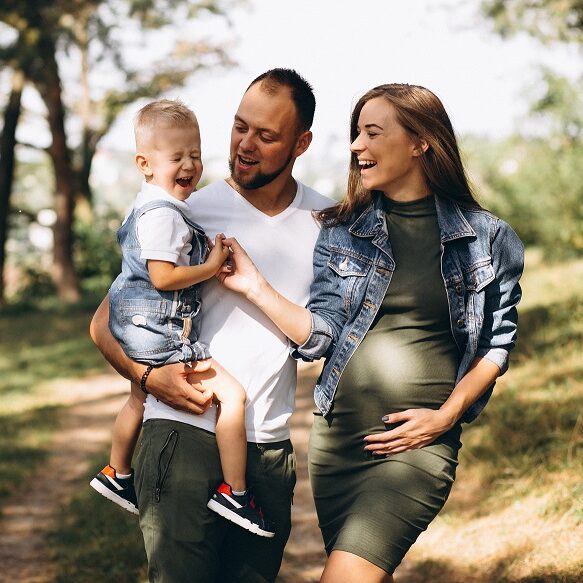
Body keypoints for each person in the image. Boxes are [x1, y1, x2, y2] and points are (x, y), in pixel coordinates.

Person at [218, 83, 525, 583]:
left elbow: (497, 345)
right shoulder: (341, 230)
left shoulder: (488, 237)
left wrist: (445, 418)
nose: (356, 145)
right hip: (338, 445)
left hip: (416, 446)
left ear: (420, 142)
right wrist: (255, 288)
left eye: (372, 132)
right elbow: (320, 338)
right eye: (356, 133)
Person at [89, 69, 332, 582]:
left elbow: (324, 335)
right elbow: (104, 325)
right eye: (239, 127)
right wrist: (151, 379)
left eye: (266, 136)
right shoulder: (184, 209)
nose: (244, 145)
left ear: (301, 142)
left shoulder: (327, 222)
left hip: (267, 450)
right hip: (181, 437)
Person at [90, 98, 275, 538]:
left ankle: (116, 471)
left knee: (138, 398)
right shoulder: (164, 216)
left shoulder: (152, 205)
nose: (190, 164)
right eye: (177, 157)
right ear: (145, 164)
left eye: (195, 153)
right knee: (232, 397)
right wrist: (211, 268)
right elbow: (162, 275)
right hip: (158, 335)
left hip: (136, 330)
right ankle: (235, 490)